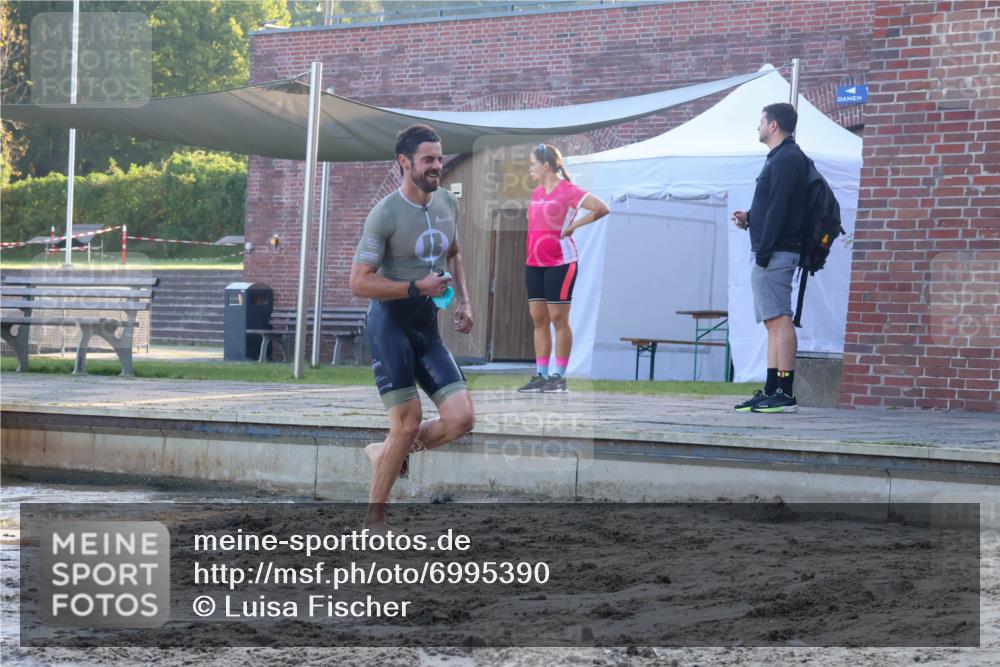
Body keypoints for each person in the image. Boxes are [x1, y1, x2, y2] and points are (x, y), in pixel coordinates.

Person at [350, 124, 476, 530]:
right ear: (404, 162)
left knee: (461, 419)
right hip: (390, 325)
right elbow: (358, 282)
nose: (437, 166)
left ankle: (381, 451)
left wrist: (465, 300)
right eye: (428, 159)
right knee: (406, 423)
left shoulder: (447, 205)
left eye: (439, 158)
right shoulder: (385, 214)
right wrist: (414, 286)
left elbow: (454, 252)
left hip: (427, 327)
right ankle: (374, 517)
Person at [732, 102, 808, 413]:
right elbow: (774, 208)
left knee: (780, 320)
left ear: (773, 125)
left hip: (775, 251)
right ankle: (772, 387)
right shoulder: (780, 158)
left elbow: (780, 211)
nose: (758, 127)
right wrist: (750, 218)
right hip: (771, 248)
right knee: (772, 322)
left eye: (761, 121)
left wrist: (763, 250)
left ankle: (785, 393)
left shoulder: (788, 159)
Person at [517, 143, 609, 393]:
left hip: (561, 262)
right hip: (534, 263)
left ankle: (559, 376)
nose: (530, 168)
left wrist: (574, 226)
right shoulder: (536, 193)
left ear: (546, 165)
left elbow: (602, 208)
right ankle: (542, 375)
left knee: (558, 318)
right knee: (539, 319)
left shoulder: (568, 190)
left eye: (533, 163)